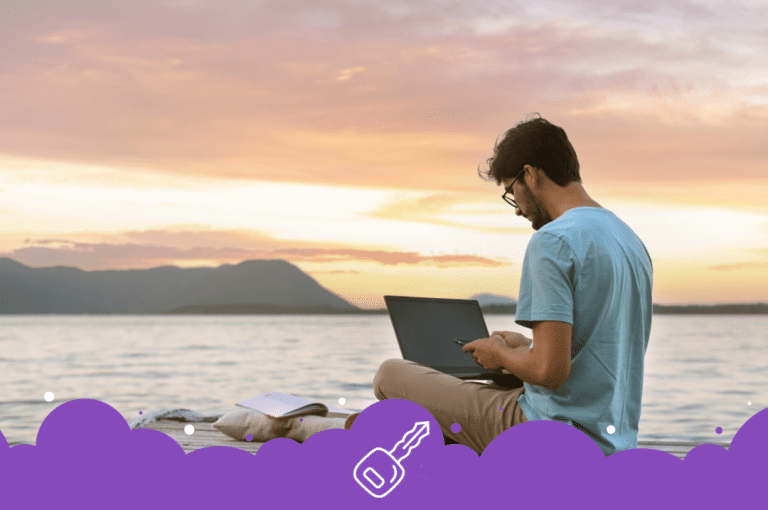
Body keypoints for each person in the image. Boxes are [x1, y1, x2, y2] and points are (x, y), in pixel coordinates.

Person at [373, 114, 653, 455]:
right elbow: (596, 349)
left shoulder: (553, 241)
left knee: (390, 376)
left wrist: (499, 353)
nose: (517, 210)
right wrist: (524, 347)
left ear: (530, 174)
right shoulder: (628, 241)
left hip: (547, 433)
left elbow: (549, 372)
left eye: (511, 192)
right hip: (613, 443)